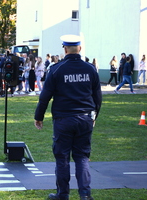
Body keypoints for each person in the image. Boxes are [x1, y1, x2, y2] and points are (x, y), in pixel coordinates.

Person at [34, 35, 102, 200]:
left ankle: (63, 194)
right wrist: (95, 116)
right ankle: (85, 194)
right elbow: (97, 97)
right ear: (79, 49)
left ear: (64, 49)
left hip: (64, 119)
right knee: (82, 157)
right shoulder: (90, 69)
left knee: (62, 158)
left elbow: (45, 96)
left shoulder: (57, 69)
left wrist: (39, 116)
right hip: (85, 118)